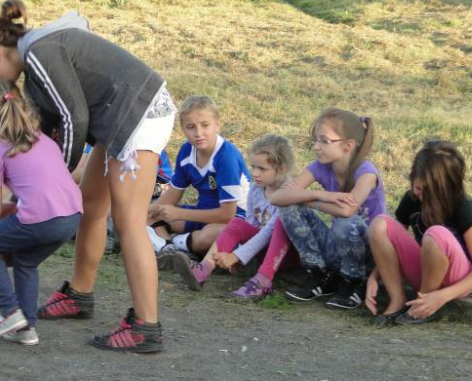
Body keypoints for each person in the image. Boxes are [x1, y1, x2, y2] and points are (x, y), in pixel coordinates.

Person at [0, 0, 176, 353]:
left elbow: (73, 117)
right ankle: (80, 295)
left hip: (140, 113)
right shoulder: (34, 69)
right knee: (91, 204)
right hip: (120, 119)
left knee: (129, 223)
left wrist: (57, 173)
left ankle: (146, 326)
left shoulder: (39, 53)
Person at [0, 81, 82, 346]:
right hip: (72, 217)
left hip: (41, 219)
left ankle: (9, 312)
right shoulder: (43, 140)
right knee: (25, 260)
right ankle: (27, 329)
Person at [271, 107, 385, 310]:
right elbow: (277, 197)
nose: (316, 147)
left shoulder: (366, 172)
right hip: (339, 249)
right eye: (315, 140)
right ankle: (320, 275)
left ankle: (355, 284)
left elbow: (347, 211)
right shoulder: (320, 167)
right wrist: (320, 194)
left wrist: (305, 200)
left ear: (347, 145)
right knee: (288, 209)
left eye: (324, 141)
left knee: (344, 223)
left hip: (368, 255)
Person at [366, 140, 472, 325]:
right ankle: (398, 300)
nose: (422, 196)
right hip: (425, 273)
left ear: (450, 186)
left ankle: (424, 305)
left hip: (455, 281)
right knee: (379, 225)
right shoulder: (411, 200)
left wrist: (442, 296)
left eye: (431, 192)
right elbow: (391, 244)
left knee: (435, 234)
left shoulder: (463, 206)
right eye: (418, 188)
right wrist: (374, 277)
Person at [173, 134, 295, 301]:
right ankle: (204, 268)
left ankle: (263, 281)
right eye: (254, 167)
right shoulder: (256, 189)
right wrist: (239, 255)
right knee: (238, 223)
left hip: (286, 255)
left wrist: (237, 256)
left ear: (281, 169)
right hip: (262, 251)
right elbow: (251, 227)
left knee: (279, 224)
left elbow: (268, 232)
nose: (255, 173)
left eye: (262, 169)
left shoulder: (289, 193)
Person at [146, 95, 251, 265]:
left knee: (210, 235)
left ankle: (169, 244)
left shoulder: (226, 157)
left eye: (205, 125)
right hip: (203, 213)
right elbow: (173, 193)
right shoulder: (186, 151)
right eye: (191, 127)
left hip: (237, 220)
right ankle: (170, 248)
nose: (198, 133)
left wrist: (179, 213)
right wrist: (147, 212)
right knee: (149, 216)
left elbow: (227, 215)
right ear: (183, 129)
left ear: (217, 124)